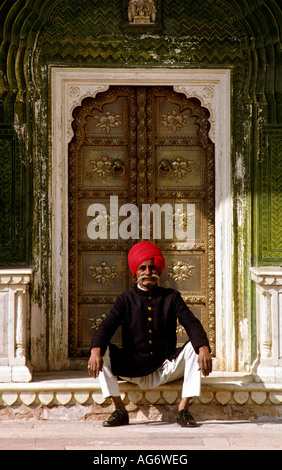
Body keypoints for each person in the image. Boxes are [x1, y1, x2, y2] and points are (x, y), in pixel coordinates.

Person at [88, 241, 212, 427]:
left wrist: (203, 347)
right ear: (135, 273)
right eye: (143, 268)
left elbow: (190, 322)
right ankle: (120, 410)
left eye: (152, 268)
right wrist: (95, 350)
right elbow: (107, 325)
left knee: (195, 348)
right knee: (101, 351)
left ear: (159, 272)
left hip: (164, 366)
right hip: (133, 367)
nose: (148, 272)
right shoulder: (125, 300)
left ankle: (183, 409)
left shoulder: (171, 297)